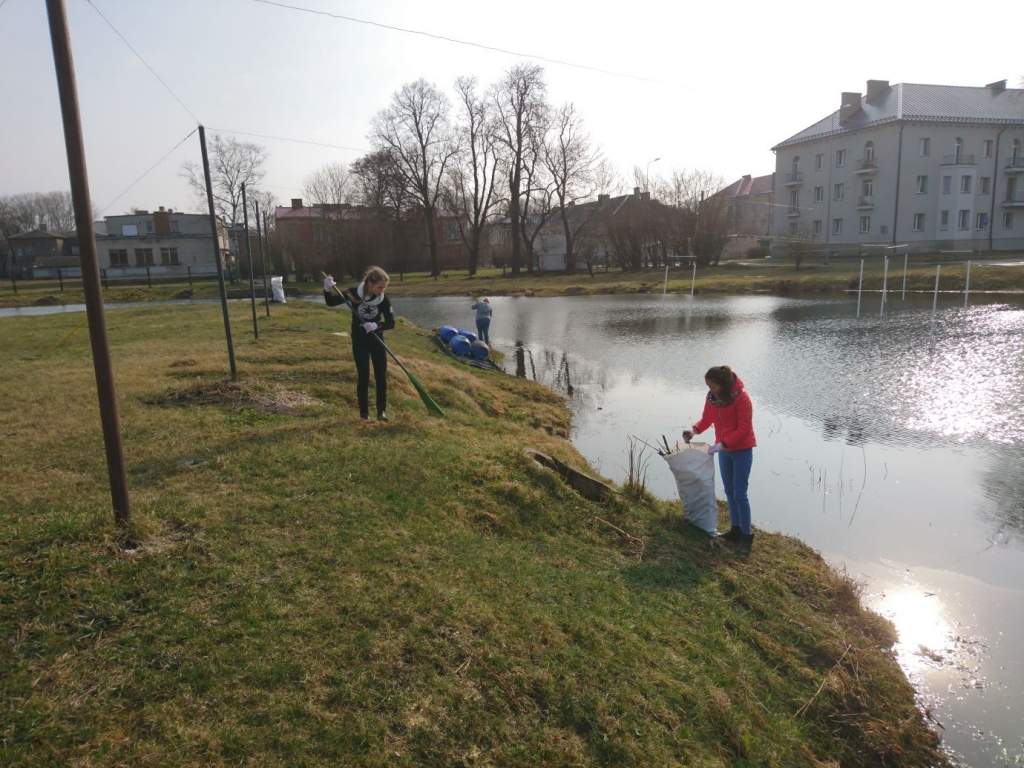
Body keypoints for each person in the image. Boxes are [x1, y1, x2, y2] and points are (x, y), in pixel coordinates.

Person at [683, 366, 757, 554]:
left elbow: (744, 430)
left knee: (740, 493)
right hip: (723, 450)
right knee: (730, 492)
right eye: (708, 386)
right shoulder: (712, 398)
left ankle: (746, 537)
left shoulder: (742, 399)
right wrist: (694, 430)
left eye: (713, 386)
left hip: (741, 451)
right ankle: (735, 530)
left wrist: (722, 444)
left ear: (723, 385)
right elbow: (707, 419)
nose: (710, 389)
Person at [324, 266, 395, 421]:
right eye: (380, 286)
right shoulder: (353, 293)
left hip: (377, 342)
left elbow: (391, 323)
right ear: (369, 283)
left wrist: (377, 326)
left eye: (384, 287)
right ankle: (364, 414)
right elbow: (331, 302)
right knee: (363, 376)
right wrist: (327, 289)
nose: (382, 290)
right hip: (359, 341)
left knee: (380, 376)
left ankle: (381, 411)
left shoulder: (383, 299)